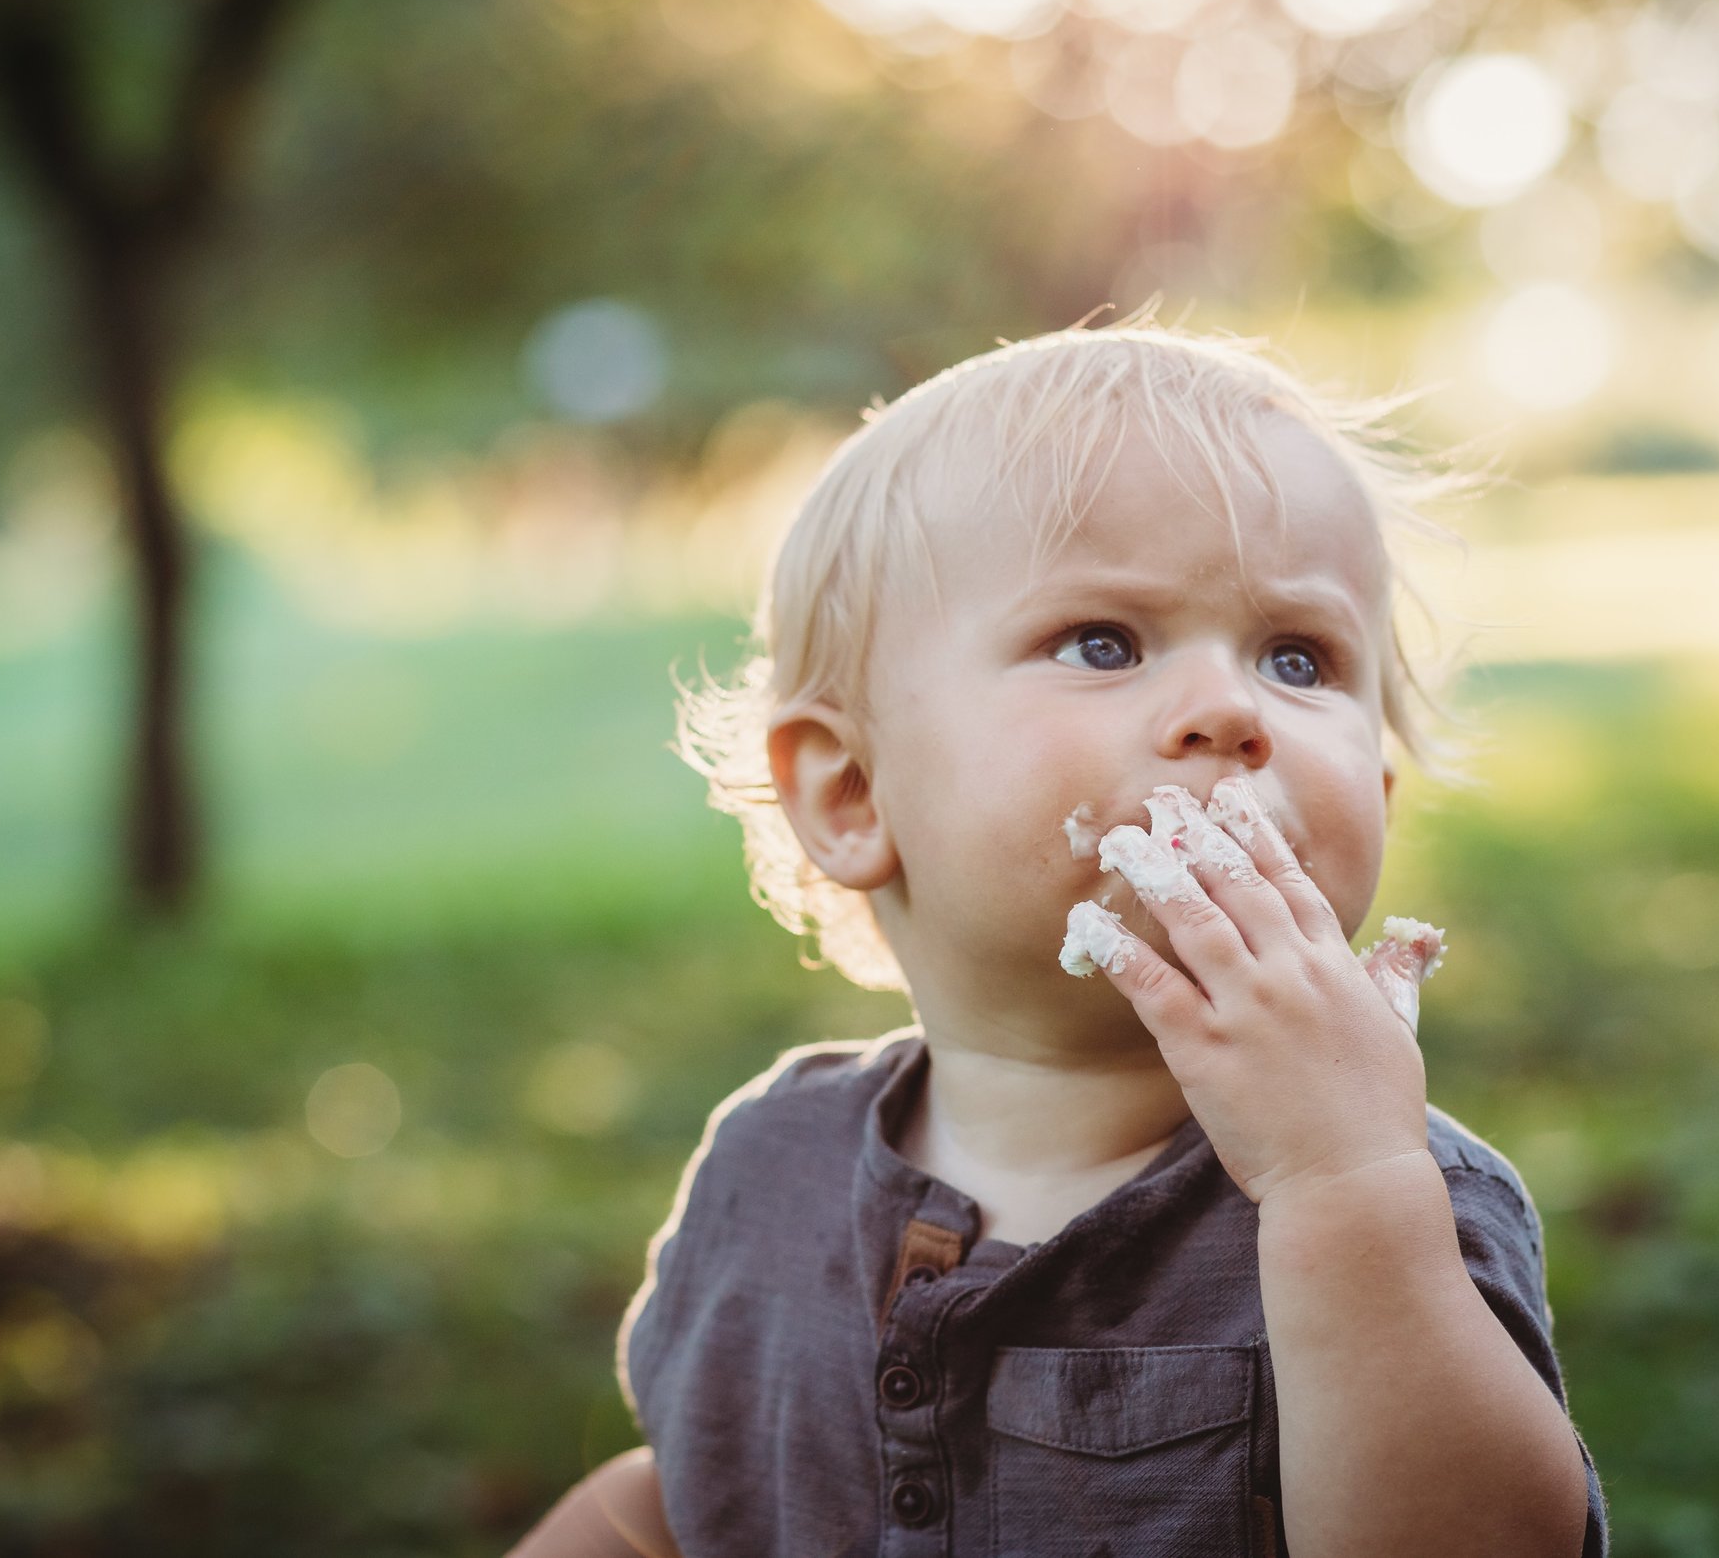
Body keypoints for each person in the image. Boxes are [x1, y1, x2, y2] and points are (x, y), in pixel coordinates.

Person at [508, 324, 1606, 1557]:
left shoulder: (1398, 1194)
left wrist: (1342, 1190)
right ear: (854, 793)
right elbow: (696, 1495)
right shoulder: (769, 1168)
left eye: (1297, 657)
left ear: (1382, 800)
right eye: (1104, 642)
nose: (1228, 711)